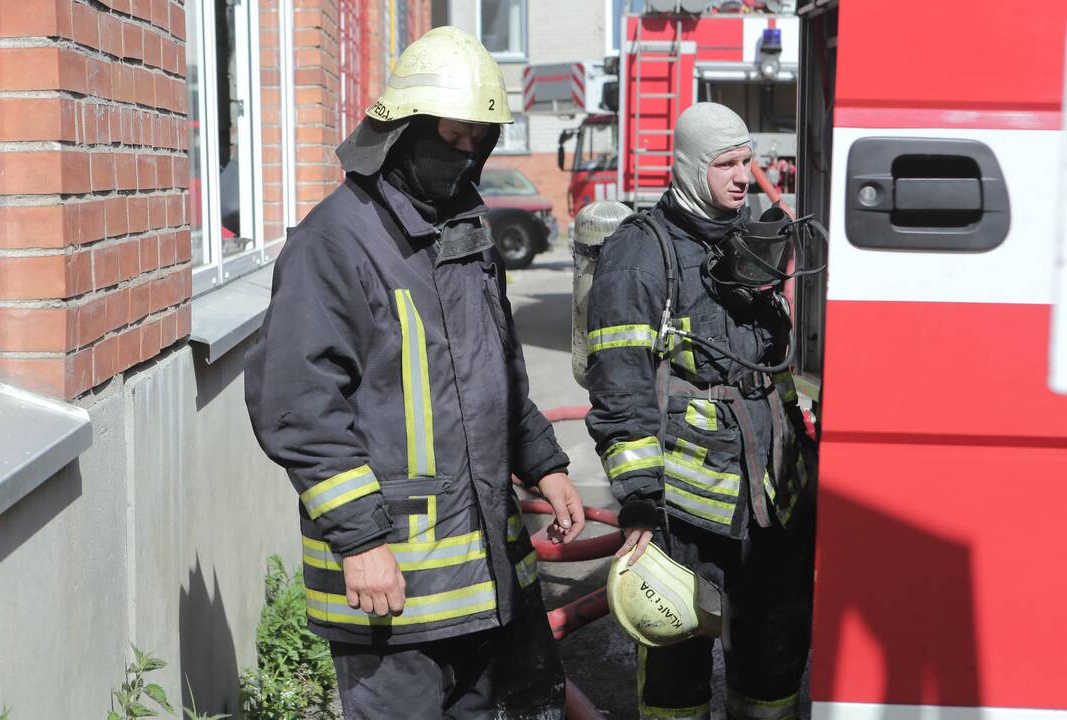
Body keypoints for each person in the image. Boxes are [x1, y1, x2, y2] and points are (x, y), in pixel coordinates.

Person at [245, 26, 584, 720]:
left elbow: (500, 371)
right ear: (402, 131)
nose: (463, 159)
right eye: (450, 139)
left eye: (476, 143)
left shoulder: (466, 232)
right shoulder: (333, 242)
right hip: (389, 594)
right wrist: (362, 542)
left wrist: (543, 462)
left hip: (478, 586)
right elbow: (297, 407)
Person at [584, 102, 817, 720]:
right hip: (686, 508)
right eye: (726, 165)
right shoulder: (641, 251)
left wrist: (806, 460)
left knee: (774, 660)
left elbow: (775, 373)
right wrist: (638, 497)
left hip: (773, 500)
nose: (743, 177)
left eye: (748, 162)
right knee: (674, 668)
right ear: (689, 167)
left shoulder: (746, 236)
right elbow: (619, 383)